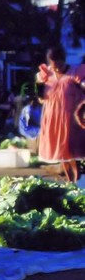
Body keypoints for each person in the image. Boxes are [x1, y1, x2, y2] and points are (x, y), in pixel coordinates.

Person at [36, 45, 85, 183]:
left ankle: (77, 181)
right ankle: (71, 182)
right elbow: (41, 99)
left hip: (71, 119)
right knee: (62, 155)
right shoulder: (45, 75)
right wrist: (38, 91)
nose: (56, 67)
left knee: (73, 154)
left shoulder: (75, 72)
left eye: (58, 63)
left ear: (63, 60)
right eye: (53, 64)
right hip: (53, 118)